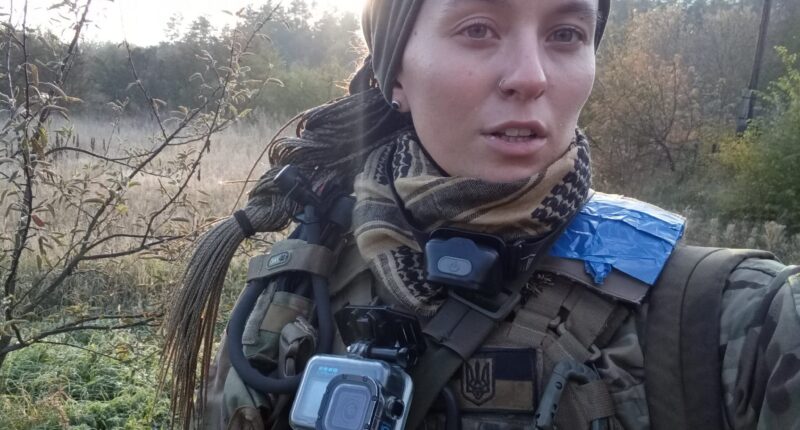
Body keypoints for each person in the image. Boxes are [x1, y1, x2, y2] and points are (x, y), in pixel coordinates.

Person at [161, 0, 800, 429]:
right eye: (478, 28)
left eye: (566, 34)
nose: (530, 76)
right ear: (395, 73)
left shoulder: (738, 319)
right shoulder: (299, 290)